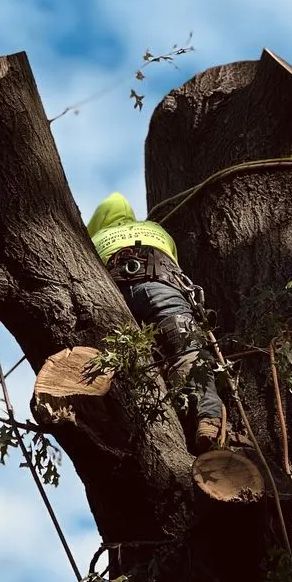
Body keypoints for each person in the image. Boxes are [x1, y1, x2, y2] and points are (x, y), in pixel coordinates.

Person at [86, 192, 224, 454]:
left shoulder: (93, 240)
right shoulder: (154, 229)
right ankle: (207, 418)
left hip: (115, 299)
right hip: (161, 286)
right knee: (188, 352)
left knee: (135, 363)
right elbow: (172, 256)